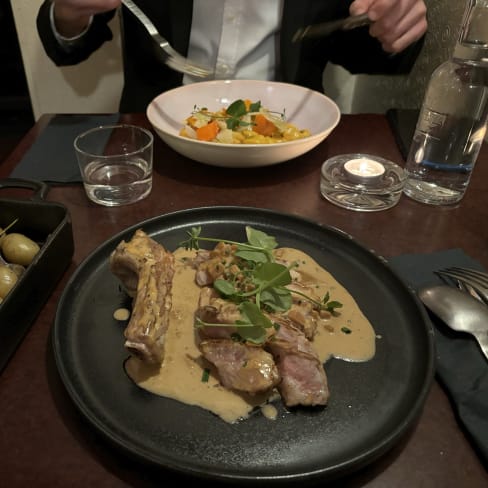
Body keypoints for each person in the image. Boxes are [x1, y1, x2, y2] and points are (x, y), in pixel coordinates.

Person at [37, 0, 428, 113]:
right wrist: (69, 12)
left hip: (291, 134)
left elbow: (367, 56)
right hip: (158, 135)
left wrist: (393, 23)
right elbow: (70, 44)